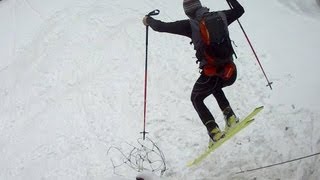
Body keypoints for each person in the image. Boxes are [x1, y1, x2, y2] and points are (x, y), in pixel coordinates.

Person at [142, 0, 244, 143]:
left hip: (211, 74)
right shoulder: (222, 16)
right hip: (230, 72)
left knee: (196, 98)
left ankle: (214, 131)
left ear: (188, 12)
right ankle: (230, 117)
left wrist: (148, 20)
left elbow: (161, 27)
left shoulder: (190, 25)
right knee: (214, 87)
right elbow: (240, 10)